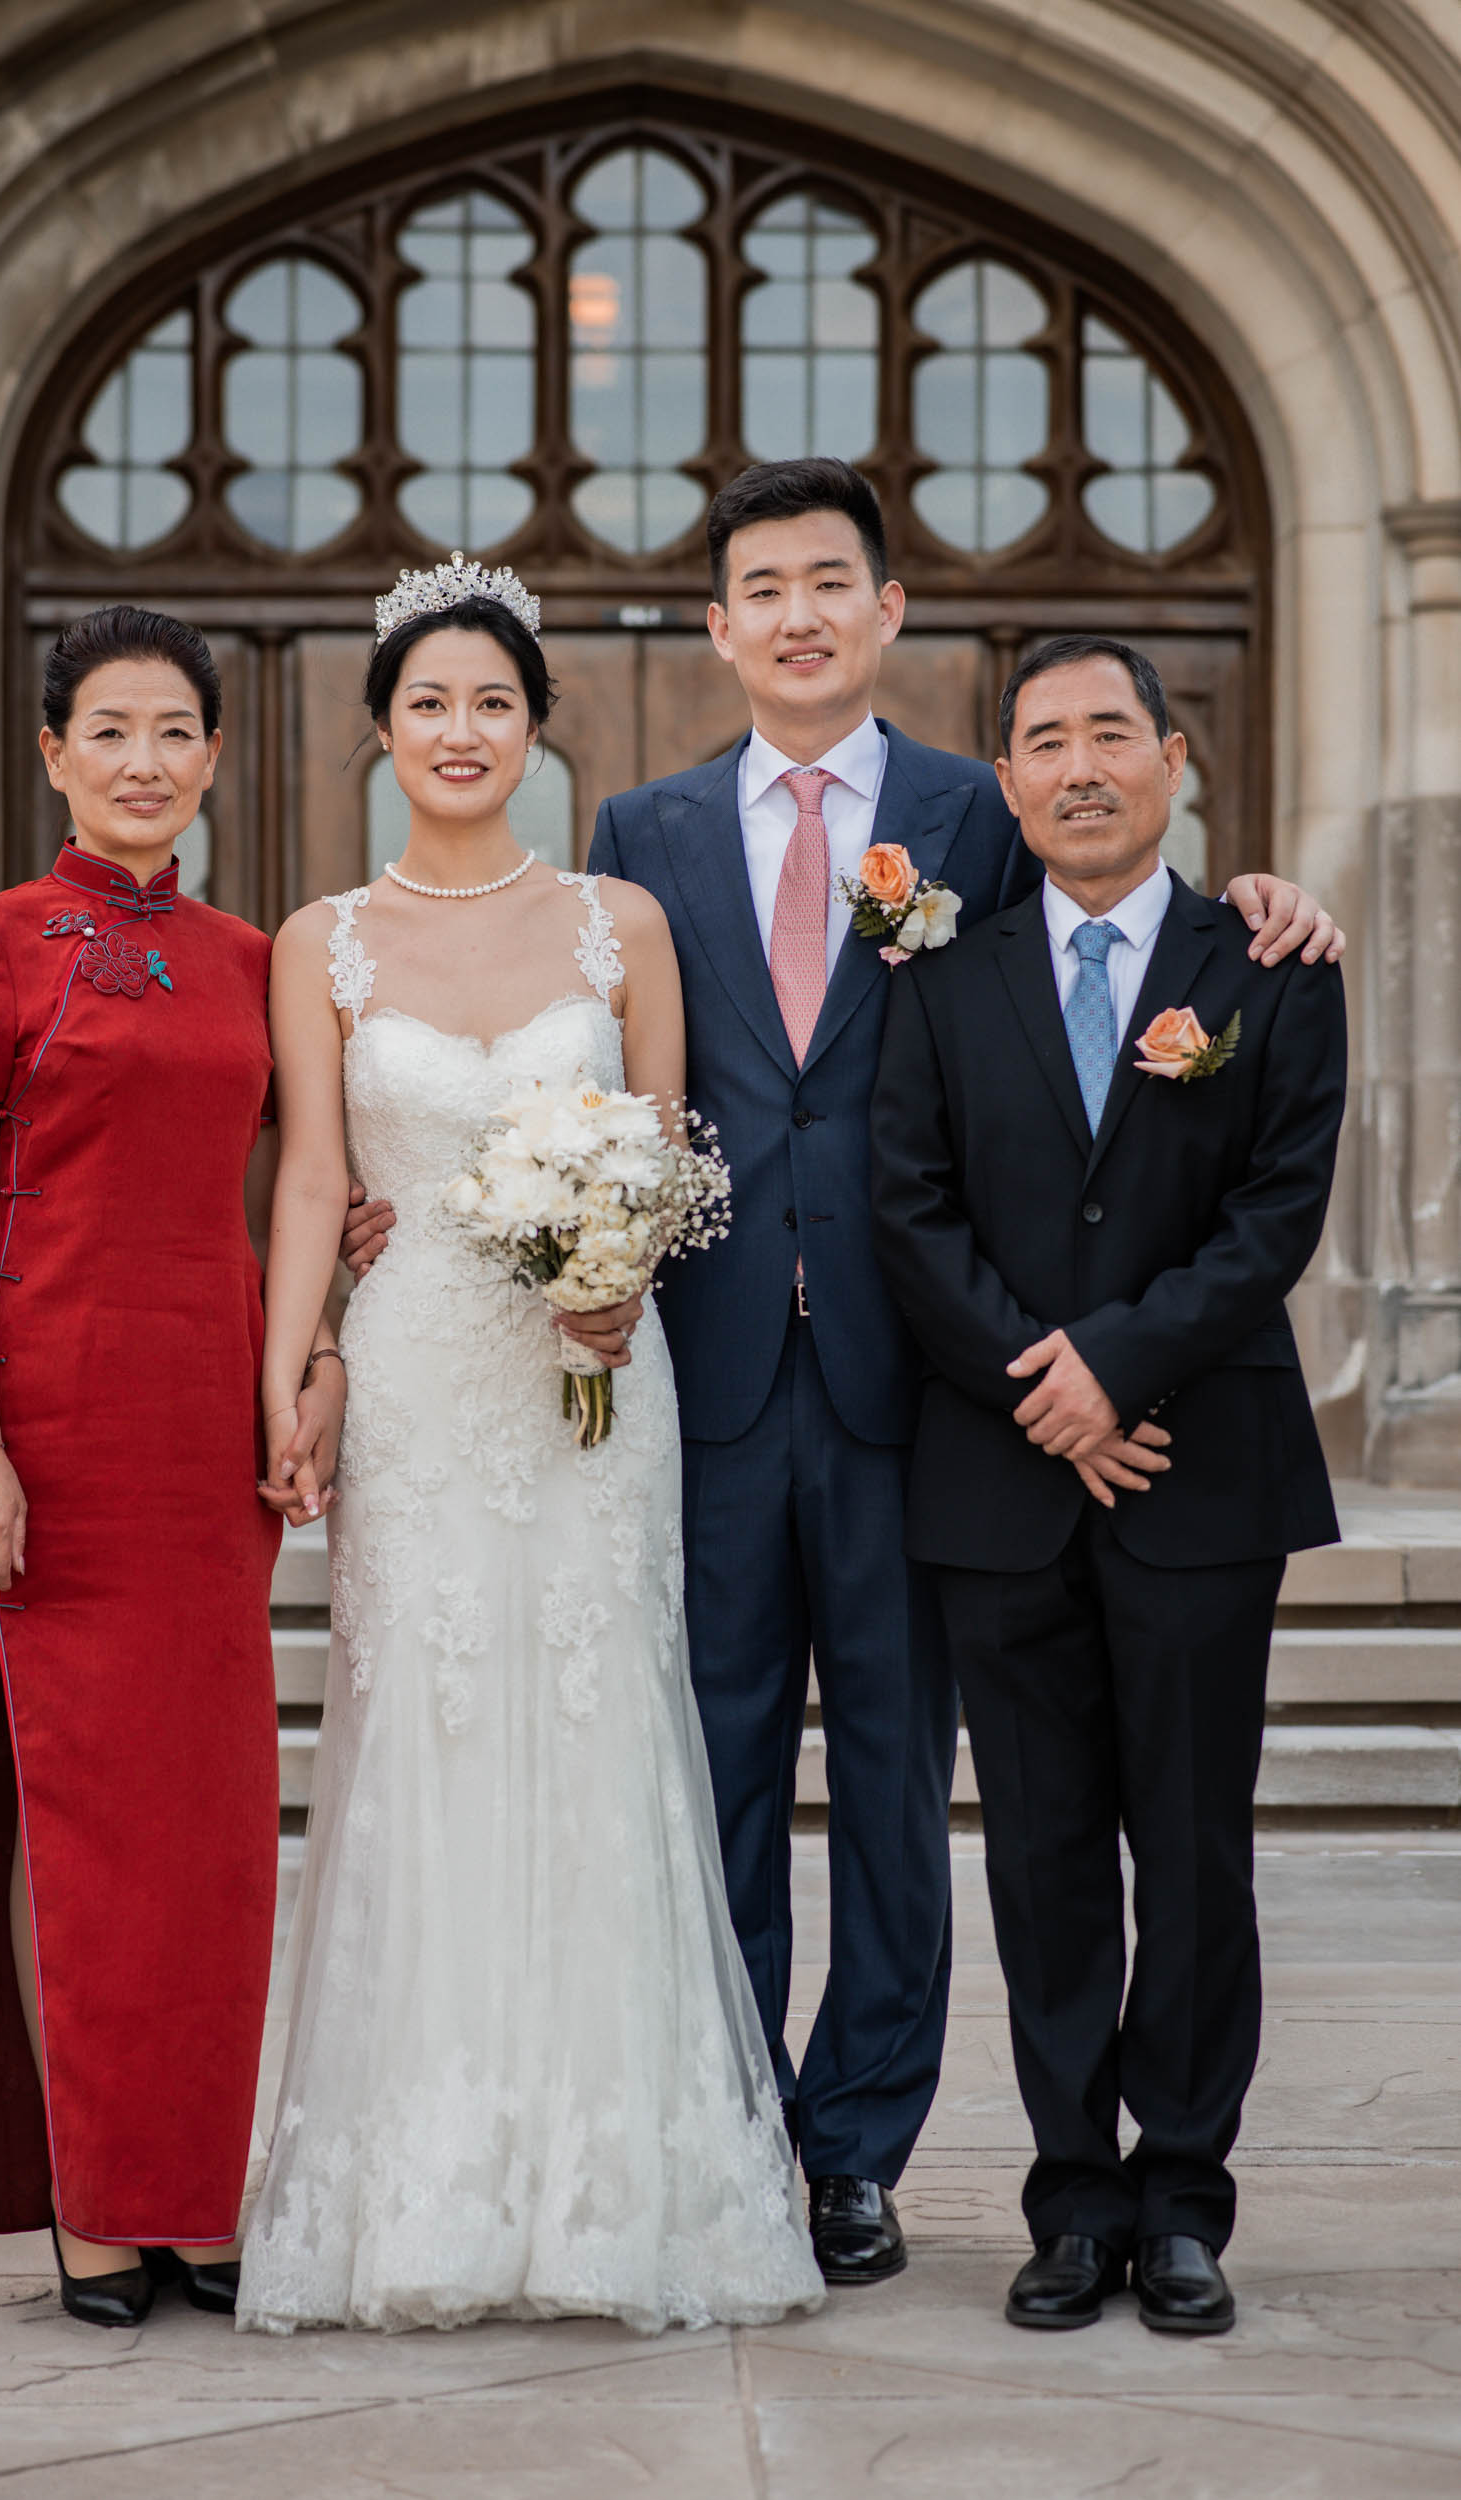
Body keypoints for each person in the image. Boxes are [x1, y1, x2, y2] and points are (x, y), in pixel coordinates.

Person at [587, 459, 1346, 2285]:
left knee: (903, 1792)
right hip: (712, 1364)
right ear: (719, 627)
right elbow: (583, 1052)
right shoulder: (640, 828)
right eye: (762, 589)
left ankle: (859, 2150)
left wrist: (1265, 895)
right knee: (719, 1771)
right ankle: (729, 2132)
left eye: (828, 582)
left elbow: (1106, 938)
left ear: (886, 609)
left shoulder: (971, 806)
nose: (798, 615)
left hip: (923, 1382)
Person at [236, 556, 823, 2336]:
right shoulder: (322, 940)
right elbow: (316, 1177)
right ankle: (430, 2184)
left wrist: (615, 1277)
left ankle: (609, 2193)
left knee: (596, 1720)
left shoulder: (616, 922)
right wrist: (297, 1370)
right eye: (429, 701)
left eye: (493, 701)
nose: (461, 729)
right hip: (418, 1382)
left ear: (538, 729)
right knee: (427, 1734)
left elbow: (665, 1143)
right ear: (383, 730)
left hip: (595, 1382)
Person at [870, 636, 1347, 2335]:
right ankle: (1073, 2197)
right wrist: (1046, 1393)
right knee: (1046, 1854)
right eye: (1046, 743)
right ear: (1005, 783)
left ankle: (1187, 2196)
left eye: (1110, 735)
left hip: (1201, 1476)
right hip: (1001, 1486)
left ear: (1171, 758)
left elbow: (1277, 1212)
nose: (1081, 768)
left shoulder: (1269, 964)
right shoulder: (938, 974)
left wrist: (1117, 1370)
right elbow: (909, 1207)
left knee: (1196, 1852)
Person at [0, 607, 346, 2328]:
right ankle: (99, 2206)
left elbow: (310, 1190)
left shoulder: (254, 958)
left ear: (215, 756)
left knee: (211, 1834)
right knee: (78, 1826)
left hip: (206, 1442)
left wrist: (314, 1359)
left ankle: (192, 2192)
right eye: (108, 730)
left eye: (175, 731)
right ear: (53, 754)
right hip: (53, 1425)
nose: (144, 761)